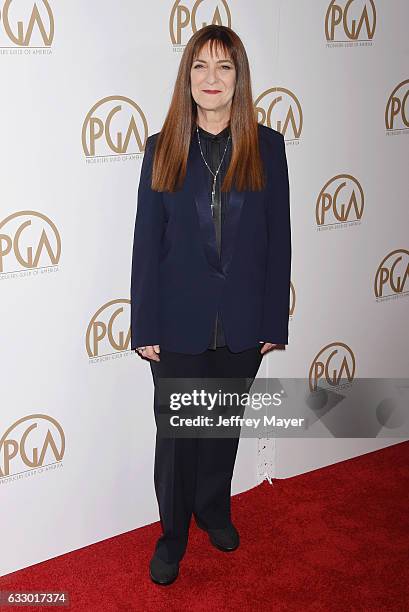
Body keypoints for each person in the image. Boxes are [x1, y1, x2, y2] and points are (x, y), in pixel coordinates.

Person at [130, 24, 291, 586]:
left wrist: (272, 322)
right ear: (187, 77)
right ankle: (172, 537)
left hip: (243, 327)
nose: (212, 78)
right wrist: (144, 323)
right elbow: (146, 243)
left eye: (224, 66)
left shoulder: (269, 147)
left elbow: (279, 241)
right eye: (201, 65)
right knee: (177, 440)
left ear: (239, 77)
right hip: (177, 327)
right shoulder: (163, 147)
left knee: (222, 427)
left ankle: (214, 511)